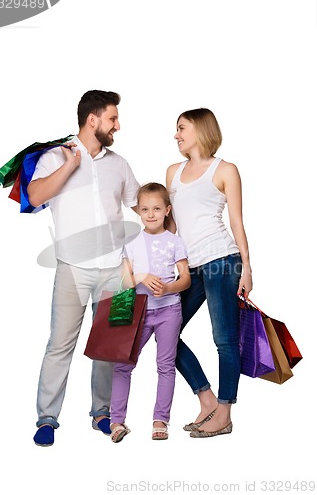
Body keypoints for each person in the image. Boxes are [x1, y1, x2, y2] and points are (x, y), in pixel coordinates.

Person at [27, 90, 140, 446]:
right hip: (72, 269)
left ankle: (102, 414)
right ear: (93, 120)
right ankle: (47, 418)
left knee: (109, 345)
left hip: (117, 270)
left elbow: (141, 204)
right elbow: (35, 196)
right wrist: (70, 166)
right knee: (60, 344)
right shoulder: (54, 156)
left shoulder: (119, 163)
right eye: (112, 119)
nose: (117, 126)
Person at [166, 108, 253, 438]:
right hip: (189, 266)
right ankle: (206, 400)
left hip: (222, 260)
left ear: (200, 130)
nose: (176, 135)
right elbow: (172, 225)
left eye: (181, 128)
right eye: (176, 130)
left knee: (225, 339)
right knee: (167, 333)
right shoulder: (172, 171)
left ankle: (225, 414)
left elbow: (236, 222)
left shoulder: (225, 170)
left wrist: (246, 268)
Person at [109, 183, 191, 443]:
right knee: (123, 365)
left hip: (169, 310)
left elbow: (186, 279)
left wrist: (168, 287)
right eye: (145, 209)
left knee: (166, 366)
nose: (151, 214)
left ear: (167, 210)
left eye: (156, 208)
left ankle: (160, 420)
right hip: (138, 312)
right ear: (139, 212)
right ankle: (116, 421)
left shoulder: (175, 241)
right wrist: (142, 276)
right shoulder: (131, 241)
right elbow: (125, 282)